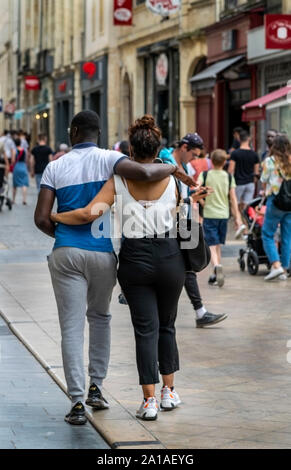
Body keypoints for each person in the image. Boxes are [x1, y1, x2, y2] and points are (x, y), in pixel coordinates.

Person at [34, 110, 195, 426]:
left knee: (128, 328)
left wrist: (58, 222)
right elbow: (186, 224)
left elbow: (84, 214)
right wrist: (175, 170)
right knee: (152, 323)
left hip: (120, 258)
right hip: (161, 256)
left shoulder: (99, 175)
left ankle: (109, 401)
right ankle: (159, 391)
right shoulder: (120, 163)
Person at [160, 134, 228, 328]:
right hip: (170, 220)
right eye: (192, 154)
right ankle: (198, 313)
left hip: (183, 218)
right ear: (183, 147)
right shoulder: (166, 161)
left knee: (188, 264)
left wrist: (194, 194)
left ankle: (200, 312)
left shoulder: (185, 167)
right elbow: (167, 196)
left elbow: (181, 193)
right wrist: (191, 198)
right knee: (185, 264)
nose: (193, 159)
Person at [198, 149, 243, 287]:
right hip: (223, 215)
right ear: (224, 162)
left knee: (211, 244)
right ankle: (215, 274)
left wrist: (203, 202)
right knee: (217, 244)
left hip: (210, 214)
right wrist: (237, 218)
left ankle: (216, 266)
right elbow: (233, 198)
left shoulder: (205, 174)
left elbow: (196, 188)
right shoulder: (229, 177)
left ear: (211, 161)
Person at [261, 135, 291, 281]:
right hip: (290, 203)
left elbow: (263, 179)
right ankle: (284, 269)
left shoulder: (270, 161)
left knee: (267, 233)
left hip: (276, 201)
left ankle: (276, 265)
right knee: (287, 236)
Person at [228, 130, 260, 213]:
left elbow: (231, 170)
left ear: (239, 139)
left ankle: (239, 222)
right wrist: (254, 181)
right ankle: (244, 223)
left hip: (238, 182)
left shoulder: (235, 153)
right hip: (250, 183)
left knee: (235, 204)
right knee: (247, 206)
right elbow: (256, 172)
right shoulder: (254, 154)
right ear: (249, 139)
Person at [12, 138, 29, 205]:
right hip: (23, 166)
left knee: (15, 185)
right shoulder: (24, 150)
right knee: (24, 184)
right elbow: (26, 159)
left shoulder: (14, 150)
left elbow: (13, 160)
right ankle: (24, 200)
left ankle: (13, 200)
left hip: (17, 167)